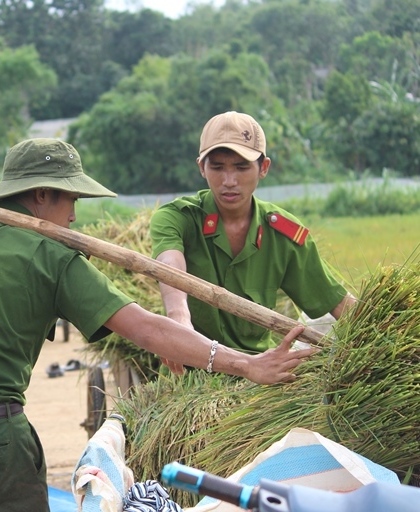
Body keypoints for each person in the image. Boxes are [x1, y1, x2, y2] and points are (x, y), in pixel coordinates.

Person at [0, 137, 315, 512]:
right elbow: (147, 328)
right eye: (71, 200)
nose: (74, 215)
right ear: (41, 195)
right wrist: (245, 365)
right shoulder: (53, 255)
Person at [150, 111, 356, 360]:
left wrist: (389, 332)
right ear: (201, 168)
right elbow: (170, 264)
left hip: (258, 372)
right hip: (190, 364)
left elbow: (335, 301)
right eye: (217, 167)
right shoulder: (176, 218)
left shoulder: (284, 235)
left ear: (264, 168)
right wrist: (178, 317)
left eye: (241, 167)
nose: (229, 181)